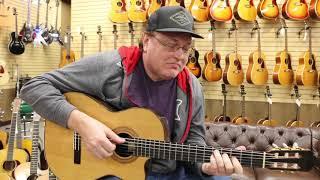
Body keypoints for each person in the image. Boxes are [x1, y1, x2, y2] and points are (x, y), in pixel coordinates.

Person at [20, 6, 245, 180]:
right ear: (147, 41)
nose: (180, 55)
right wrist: (82, 123)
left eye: (186, 48)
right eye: (171, 44)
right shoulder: (112, 67)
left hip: (169, 171)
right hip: (114, 171)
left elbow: (194, 139)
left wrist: (204, 166)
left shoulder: (191, 86)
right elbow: (33, 87)